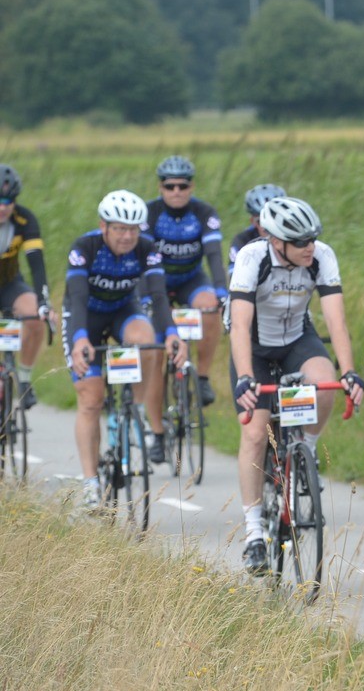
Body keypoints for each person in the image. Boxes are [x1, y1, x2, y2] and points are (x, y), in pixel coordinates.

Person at [228, 198, 364, 575]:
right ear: (276, 241)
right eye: (301, 241)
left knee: (324, 382)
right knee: (256, 433)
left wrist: (349, 371)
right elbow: (239, 325)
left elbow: (336, 321)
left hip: (295, 340)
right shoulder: (252, 258)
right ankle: (254, 532)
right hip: (254, 346)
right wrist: (245, 377)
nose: (310, 247)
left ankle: (306, 450)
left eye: (313, 239)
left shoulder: (321, 256)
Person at [63, 191, 186, 509]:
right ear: (104, 226)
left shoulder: (146, 248)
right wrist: (80, 340)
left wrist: (173, 333)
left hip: (122, 311)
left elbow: (158, 296)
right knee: (91, 400)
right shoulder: (84, 248)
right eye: (120, 229)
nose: (127, 236)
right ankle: (91, 482)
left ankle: (134, 411)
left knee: (148, 341)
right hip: (84, 318)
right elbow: (77, 298)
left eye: (133, 229)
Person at [143, 155, 228, 408]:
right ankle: (156, 408)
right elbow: (141, 259)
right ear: (160, 187)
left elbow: (214, 255)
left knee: (210, 306)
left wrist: (222, 293)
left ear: (192, 187)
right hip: (156, 280)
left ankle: (202, 378)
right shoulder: (150, 213)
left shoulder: (204, 213)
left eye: (183, 185)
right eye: (170, 186)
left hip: (191, 278)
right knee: (158, 338)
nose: (176, 191)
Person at [0, 164, 52, 409]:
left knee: (35, 316)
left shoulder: (25, 219)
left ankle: (23, 380)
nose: (2, 207)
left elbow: (37, 265)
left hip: (10, 283)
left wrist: (44, 302)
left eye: (8, 201)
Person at [229, 183, 287, 270]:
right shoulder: (242, 240)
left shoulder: (295, 237)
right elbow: (234, 274)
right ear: (252, 221)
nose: (268, 226)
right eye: (261, 221)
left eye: (274, 219)